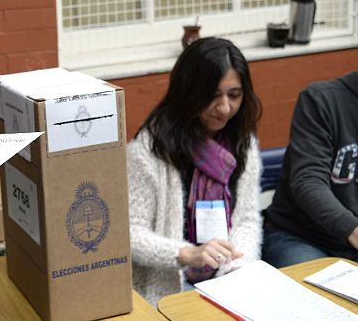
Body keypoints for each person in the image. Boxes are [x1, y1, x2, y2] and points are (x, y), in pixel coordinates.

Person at [126, 37, 263, 305]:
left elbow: (247, 218)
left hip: (226, 282)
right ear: (189, 93)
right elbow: (129, 234)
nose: (225, 108)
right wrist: (187, 254)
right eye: (212, 96)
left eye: (234, 95)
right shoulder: (148, 152)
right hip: (168, 290)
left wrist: (236, 268)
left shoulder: (243, 144)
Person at [263, 71, 358, 267]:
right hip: (303, 237)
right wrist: (352, 228)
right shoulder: (321, 100)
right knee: (318, 295)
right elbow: (308, 181)